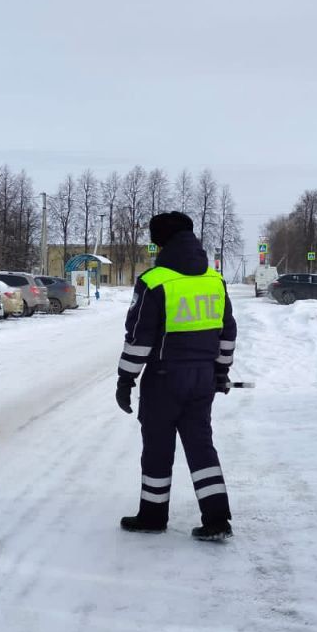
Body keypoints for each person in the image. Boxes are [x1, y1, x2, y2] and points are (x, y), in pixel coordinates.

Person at [115, 212, 236, 542]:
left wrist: (126, 380)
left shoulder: (155, 282)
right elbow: (228, 333)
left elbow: (139, 339)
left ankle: (153, 516)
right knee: (201, 447)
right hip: (202, 380)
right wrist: (221, 372)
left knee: (157, 447)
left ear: (160, 243)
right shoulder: (214, 280)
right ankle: (216, 519)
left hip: (164, 380)